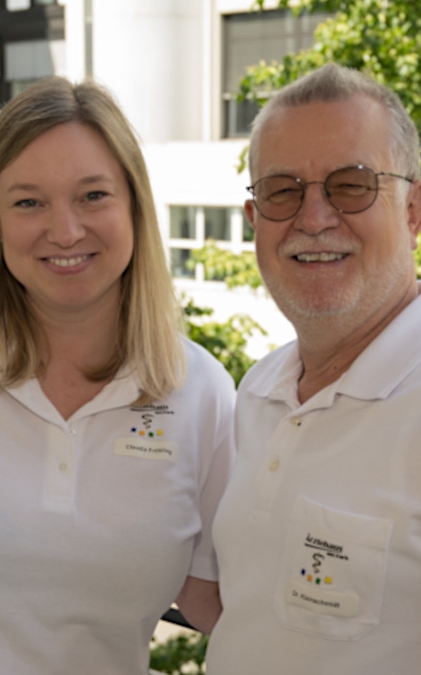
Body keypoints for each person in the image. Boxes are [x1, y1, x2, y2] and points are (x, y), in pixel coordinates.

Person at [0, 76, 235, 675]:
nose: (65, 231)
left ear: (135, 206)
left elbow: (219, 601)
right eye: (28, 201)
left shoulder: (202, 394)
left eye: (92, 196)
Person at [205, 63, 421, 674]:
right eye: (281, 190)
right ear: (254, 221)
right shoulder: (258, 392)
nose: (314, 217)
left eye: (351, 184)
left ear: (412, 209)